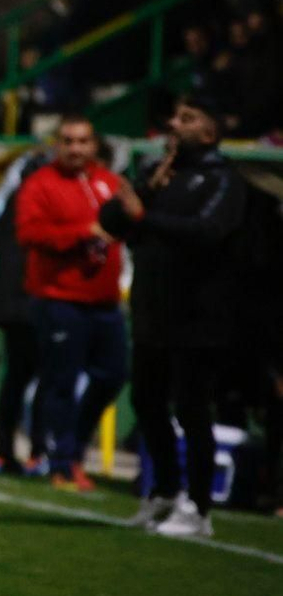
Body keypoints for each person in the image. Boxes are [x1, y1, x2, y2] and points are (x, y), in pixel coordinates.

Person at [100, 95, 247, 537]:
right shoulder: (158, 175)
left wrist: (147, 217)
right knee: (145, 401)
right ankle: (163, 490)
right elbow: (112, 219)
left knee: (192, 409)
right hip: (152, 310)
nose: (174, 124)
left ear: (208, 132)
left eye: (188, 118)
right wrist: (145, 192)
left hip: (198, 314)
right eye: (175, 116)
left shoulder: (223, 180)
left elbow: (207, 232)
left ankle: (198, 507)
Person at [14, 117, 126, 491]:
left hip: (105, 300)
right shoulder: (40, 184)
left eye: (82, 141)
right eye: (67, 141)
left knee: (113, 374)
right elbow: (29, 232)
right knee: (60, 381)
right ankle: (60, 462)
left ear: (94, 145)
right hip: (59, 298)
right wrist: (81, 234)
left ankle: (73, 448)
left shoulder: (108, 182)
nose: (75, 148)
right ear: (56, 144)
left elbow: (133, 218)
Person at [0, 150, 47, 475]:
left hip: (9, 302)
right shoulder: (37, 202)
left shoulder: (13, 200)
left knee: (16, 378)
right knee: (42, 379)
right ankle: (38, 450)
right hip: (30, 301)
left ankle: (3, 450)